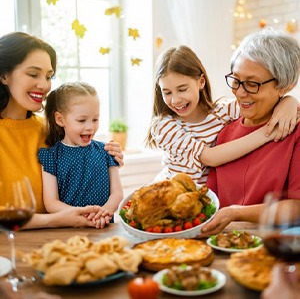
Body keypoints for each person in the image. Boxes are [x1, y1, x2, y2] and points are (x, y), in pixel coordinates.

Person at [0, 31, 124, 229]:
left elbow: (79, 164)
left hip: (57, 241)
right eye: (33, 74)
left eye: (49, 76)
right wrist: (57, 219)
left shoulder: (49, 128)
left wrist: (110, 157)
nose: (44, 85)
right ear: (4, 75)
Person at [146, 45, 298, 184]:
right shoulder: (163, 126)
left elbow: (263, 105)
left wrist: (289, 101)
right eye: (167, 92)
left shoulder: (222, 112)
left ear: (201, 82)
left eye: (182, 89)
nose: (175, 100)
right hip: (173, 197)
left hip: (209, 200)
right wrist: (269, 133)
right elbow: (209, 158)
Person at [201, 28, 300, 236]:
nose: (240, 92)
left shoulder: (295, 133)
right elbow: (210, 198)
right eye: (236, 80)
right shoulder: (224, 131)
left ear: (285, 86)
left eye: (252, 84)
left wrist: (236, 213)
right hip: (222, 243)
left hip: (274, 245)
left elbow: (297, 207)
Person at [38, 82, 123, 229]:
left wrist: (104, 213)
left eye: (95, 119)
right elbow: (51, 203)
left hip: (103, 227)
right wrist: (82, 215)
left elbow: (117, 193)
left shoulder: (106, 151)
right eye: (82, 120)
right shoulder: (51, 156)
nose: (90, 127)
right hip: (67, 231)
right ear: (60, 119)